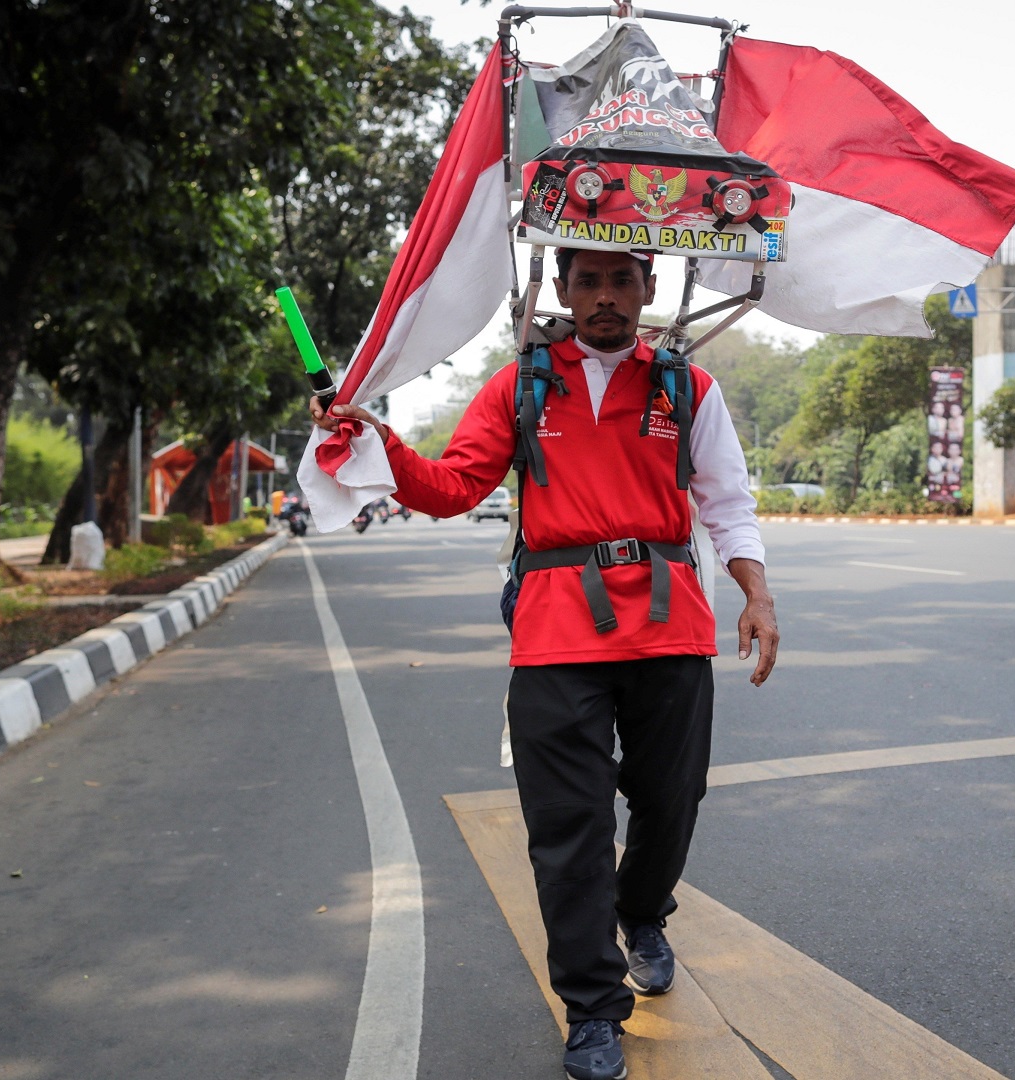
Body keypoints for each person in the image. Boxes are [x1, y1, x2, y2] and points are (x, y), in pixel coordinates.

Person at [313, 247, 778, 1080]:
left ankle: (642, 913)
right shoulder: (519, 385)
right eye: (588, 281)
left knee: (672, 800)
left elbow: (726, 500)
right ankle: (593, 1009)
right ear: (561, 290)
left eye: (622, 280)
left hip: (671, 625)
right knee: (567, 829)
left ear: (649, 289)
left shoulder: (686, 387)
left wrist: (758, 595)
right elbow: (454, 485)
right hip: (556, 629)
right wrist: (376, 437)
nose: (605, 298)